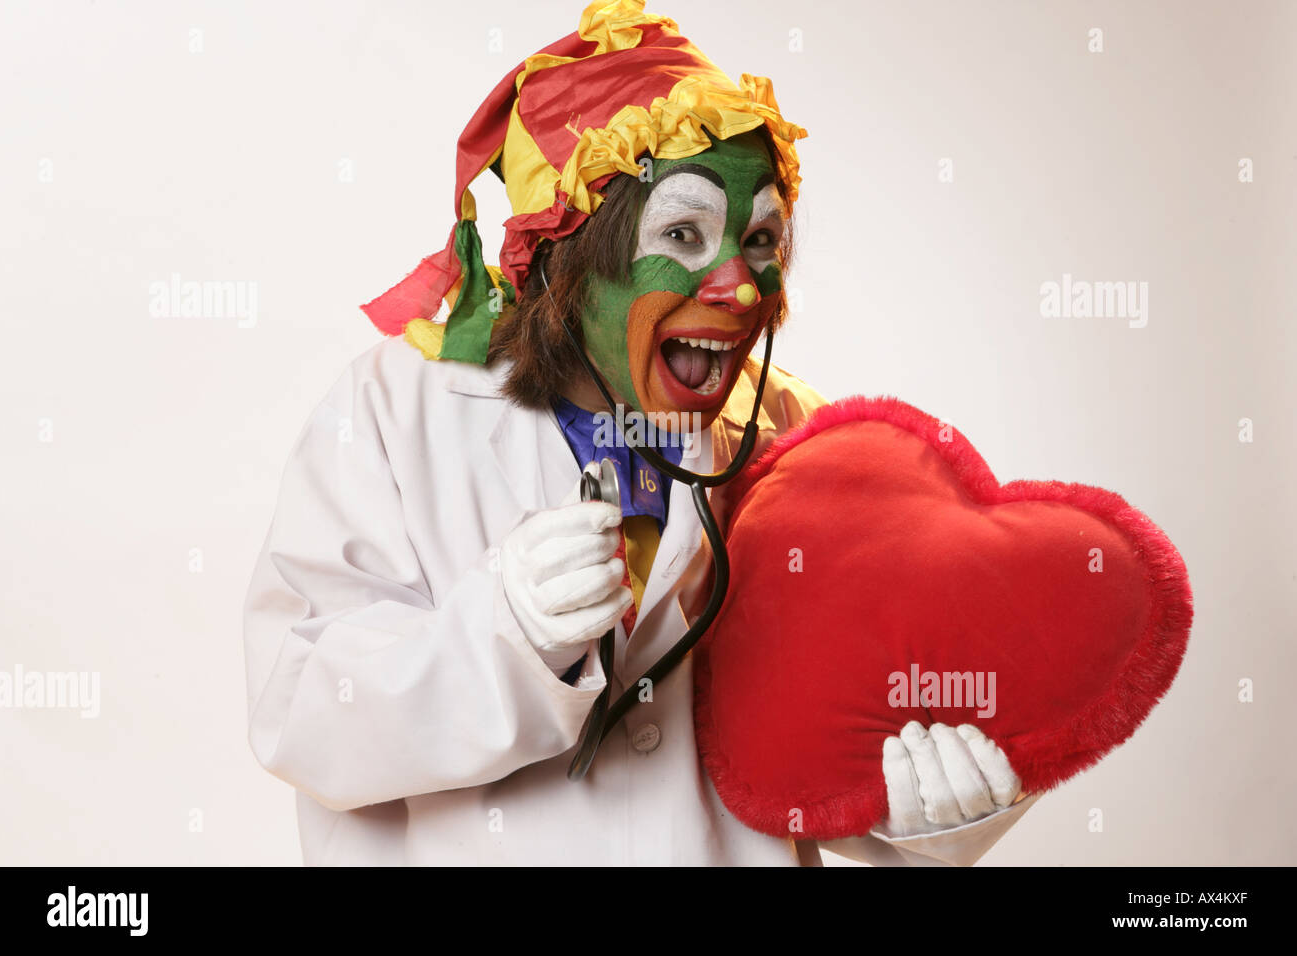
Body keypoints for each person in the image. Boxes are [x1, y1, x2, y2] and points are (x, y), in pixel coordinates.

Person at [242, 0, 1037, 866]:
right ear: (565, 251)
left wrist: (927, 812)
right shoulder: (392, 411)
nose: (738, 286)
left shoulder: (793, 439)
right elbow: (302, 715)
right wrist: (505, 631)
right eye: (682, 233)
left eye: (761, 238)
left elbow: (826, 739)